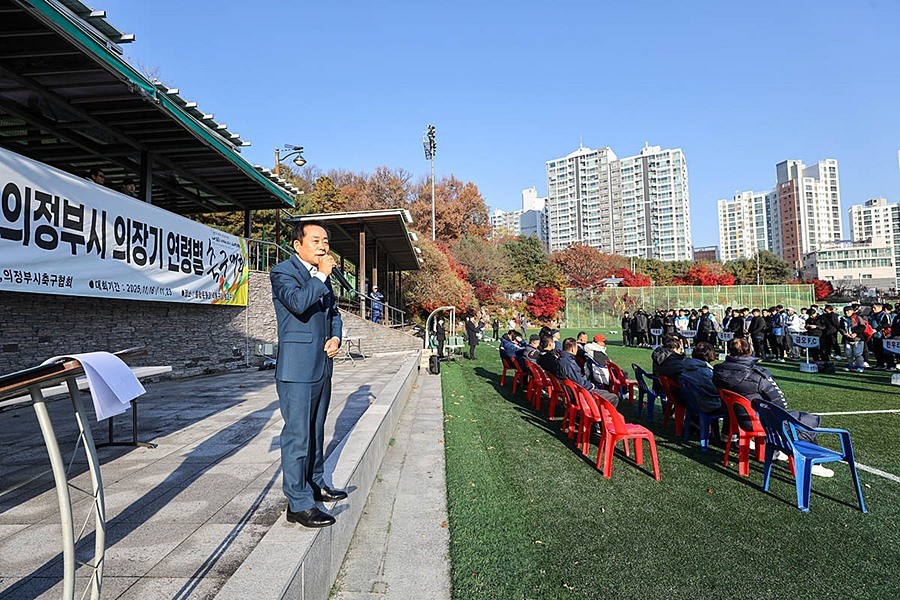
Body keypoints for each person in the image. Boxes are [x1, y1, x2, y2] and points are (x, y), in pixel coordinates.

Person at [270, 221, 347, 528]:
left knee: (316, 431)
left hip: (322, 366)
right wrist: (322, 275)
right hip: (297, 369)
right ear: (297, 244)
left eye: (325, 241)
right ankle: (298, 503)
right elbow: (298, 303)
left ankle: (315, 483)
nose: (323, 246)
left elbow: (334, 313)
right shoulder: (283, 272)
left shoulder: (321, 277)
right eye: (315, 240)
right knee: (297, 436)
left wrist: (335, 337)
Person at [712, 338, 833, 477]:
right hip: (757, 421)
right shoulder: (758, 375)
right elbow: (779, 403)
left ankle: (761, 446)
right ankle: (814, 463)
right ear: (750, 351)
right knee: (805, 421)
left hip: (735, 418)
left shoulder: (718, 371)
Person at [679, 342, 724, 437]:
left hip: (692, 402)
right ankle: (728, 436)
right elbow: (715, 389)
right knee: (732, 407)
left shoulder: (687, 366)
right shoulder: (704, 372)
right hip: (705, 404)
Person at [841, 305, 867, 372]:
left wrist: (855, 333)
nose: (846, 313)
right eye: (845, 311)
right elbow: (841, 328)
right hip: (847, 338)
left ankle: (860, 366)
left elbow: (863, 326)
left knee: (857, 354)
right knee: (848, 354)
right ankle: (850, 366)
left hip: (858, 338)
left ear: (852, 311)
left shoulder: (857, 318)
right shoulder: (843, 319)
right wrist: (844, 333)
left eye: (848, 311)